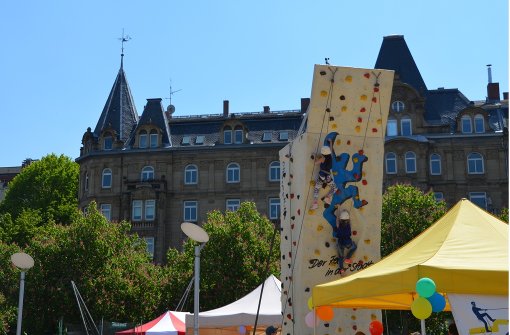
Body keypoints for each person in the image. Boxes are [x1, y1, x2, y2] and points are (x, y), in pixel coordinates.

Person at [310, 141, 337, 210]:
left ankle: (315, 203)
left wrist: (315, 156)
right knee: (334, 188)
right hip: (328, 176)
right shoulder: (330, 157)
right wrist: (330, 142)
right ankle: (327, 197)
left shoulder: (322, 158)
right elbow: (331, 149)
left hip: (322, 176)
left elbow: (316, 163)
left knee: (317, 188)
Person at [333, 208, 357, 273]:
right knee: (354, 247)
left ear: (341, 219)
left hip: (340, 242)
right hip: (347, 242)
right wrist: (347, 212)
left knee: (341, 256)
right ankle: (348, 258)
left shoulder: (338, 225)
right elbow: (349, 219)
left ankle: (341, 269)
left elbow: (337, 218)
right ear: (348, 219)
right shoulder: (349, 225)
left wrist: (338, 208)